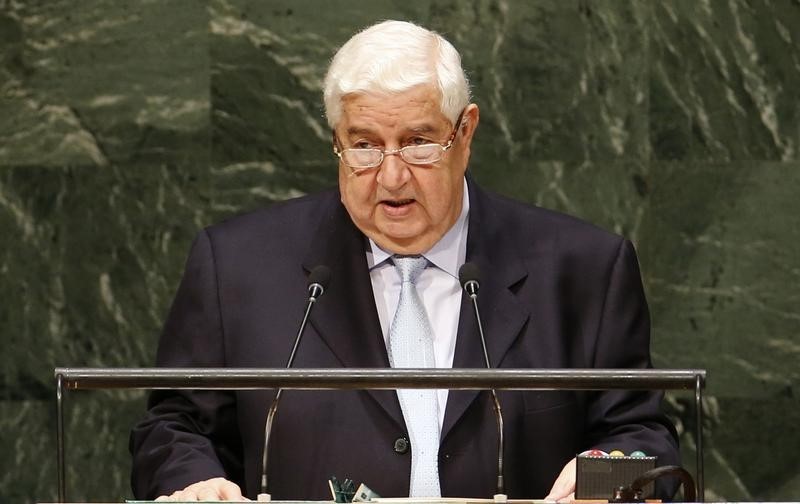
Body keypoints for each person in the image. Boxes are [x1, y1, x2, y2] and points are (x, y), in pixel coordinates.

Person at [130, 20, 679, 502]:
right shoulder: (238, 267)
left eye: (418, 142)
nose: (391, 177)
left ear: (465, 133)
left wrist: (607, 481)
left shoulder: (583, 270)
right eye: (364, 145)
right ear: (336, 142)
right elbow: (174, 427)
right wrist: (194, 485)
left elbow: (641, 439)